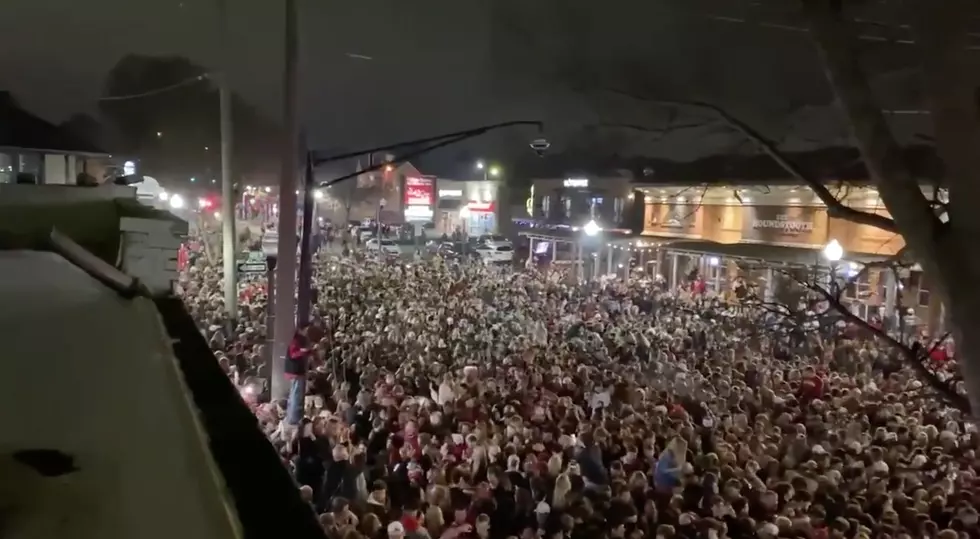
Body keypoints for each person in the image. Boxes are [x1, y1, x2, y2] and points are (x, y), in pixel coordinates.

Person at [285, 324, 312, 426]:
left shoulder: (299, 339)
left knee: (294, 395)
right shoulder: (296, 340)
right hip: (295, 372)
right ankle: (294, 419)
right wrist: (304, 351)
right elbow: (294, 354)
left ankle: (292, 417)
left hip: (295, 372)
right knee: (296, 396)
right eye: (306, 329)